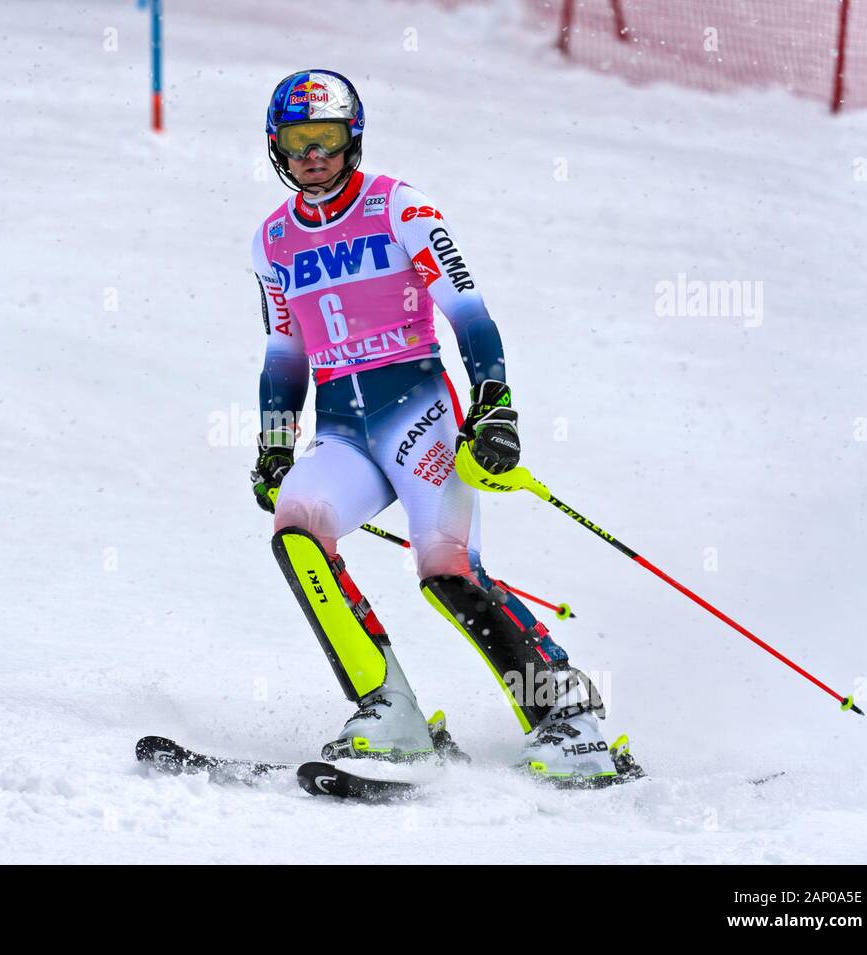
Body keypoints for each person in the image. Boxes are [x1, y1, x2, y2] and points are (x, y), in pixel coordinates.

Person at [249, 69, 639, 785]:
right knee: (297, 529)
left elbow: (466, 307)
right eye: (299, 141)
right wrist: (275, 441)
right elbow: (285, 350)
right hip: (341, 428)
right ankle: (388, 709)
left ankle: (568, 718)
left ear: (352, 139)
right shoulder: (272, 241)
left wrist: (493, 399)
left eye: (327, 139)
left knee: (447, 568)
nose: (314, 155)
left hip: (416, 412)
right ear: (277, 146)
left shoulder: (399, 206)